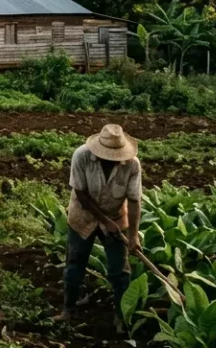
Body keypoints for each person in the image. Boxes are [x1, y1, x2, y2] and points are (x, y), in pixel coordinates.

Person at [58, 123, 142, 331]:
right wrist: (105, 222)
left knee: (120, 270)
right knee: (75, 265)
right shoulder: (82, 156)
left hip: (116, 217)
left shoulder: (132, 165)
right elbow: (81, 193)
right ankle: (67, 311)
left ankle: (120, 317)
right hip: (83, 217)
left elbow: (134, 201)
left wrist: (133, 237)